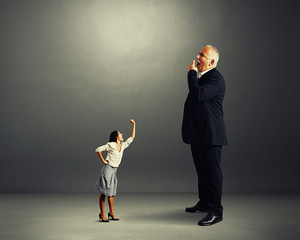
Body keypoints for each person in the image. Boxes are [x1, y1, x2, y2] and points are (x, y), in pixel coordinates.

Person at [182, 45, 227, 226]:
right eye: (199, 53)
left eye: (202, 55)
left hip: (211, 135)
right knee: (202, 172)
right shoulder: (205, 78)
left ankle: (216, 211)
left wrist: (191, 74)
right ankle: (205, 203)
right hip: (199, 135)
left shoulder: (215, 79)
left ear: (212, 61)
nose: (197, 57)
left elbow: (198, 95)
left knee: (212, 173)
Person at [95, 119, 136, 222]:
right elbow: (98, 149)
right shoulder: (111, 145)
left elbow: (132, 138)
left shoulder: (122, 146)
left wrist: (134, 125)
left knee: (111, 193)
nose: (122, 134)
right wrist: (103, 160)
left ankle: (111, 213)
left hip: (114, 171)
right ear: (116, 136)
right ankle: (102, 213)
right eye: (120, 133)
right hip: (108, 170)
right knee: (104, 192)